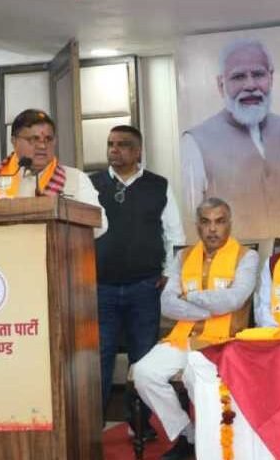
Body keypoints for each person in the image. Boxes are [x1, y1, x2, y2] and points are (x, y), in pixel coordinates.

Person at [133, 198, 258, 459]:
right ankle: (187, 435)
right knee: (144, 373)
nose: (212, 229)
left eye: (219, 222)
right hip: (183, 338)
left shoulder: (247, 257)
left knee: (194, 375)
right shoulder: (183, 257)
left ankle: (210, 442)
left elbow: (234, 299)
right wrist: (211, 306)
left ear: (229, 224)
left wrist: (189, 297)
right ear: (197, 226)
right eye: (205, 222)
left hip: (221, 342)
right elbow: (167, 304)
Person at [90, 125, 186, 438]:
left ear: (138, 151)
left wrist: (168, 273)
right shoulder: (91, 185)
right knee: (100, 359)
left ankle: (140, 425)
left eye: (122, 144)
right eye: (110, 144)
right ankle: (94, 427)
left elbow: (175, 234)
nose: (114, 150)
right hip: (101, 288)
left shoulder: (158, 185)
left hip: (145, 287)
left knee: (143, 359)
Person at [181, 38, 280, 240]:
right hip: (231, 256)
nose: (250, 85)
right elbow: (191, 220)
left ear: (271, 78)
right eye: (238, 77)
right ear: (221, 84)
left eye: (258, 74)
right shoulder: (196, 141)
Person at [0, 108, 107, 235]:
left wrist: (65, 214)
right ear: (14, 141)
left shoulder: (76, 179)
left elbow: (100, 226)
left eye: (48, 139)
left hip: (56, 253)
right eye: (33, 139)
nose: (42, 146)